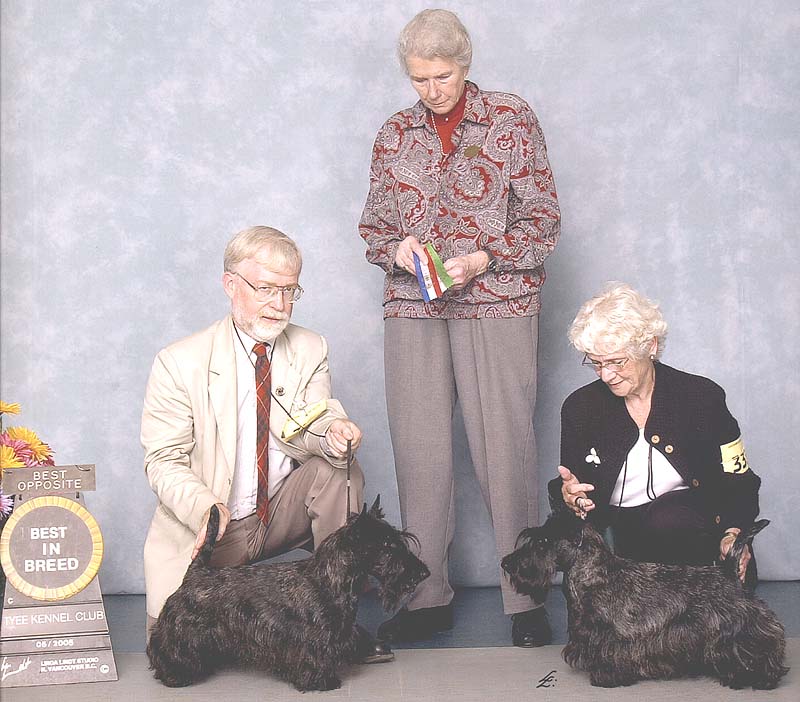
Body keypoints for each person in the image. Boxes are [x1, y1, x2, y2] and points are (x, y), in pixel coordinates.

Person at [359, 9, 560, 647]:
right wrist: (396, 249)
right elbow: (374, 227)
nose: (431, 90)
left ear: (464, 65)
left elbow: (542, 222)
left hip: (498, 300)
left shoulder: (511, 119)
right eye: (419, 79)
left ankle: (525, 600)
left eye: (441, 76)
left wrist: (482, 258)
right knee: (419, 455)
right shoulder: (394, 134)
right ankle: (425, 599)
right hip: (414, 306)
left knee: (506, 452)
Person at [141, 225, 392, 663]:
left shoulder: (310, 346)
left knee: (339, 468)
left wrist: (333, 433)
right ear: (230, 284)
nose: (280, 304)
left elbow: (315, 421)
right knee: (174, 652)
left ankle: (338, 619)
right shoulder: (179, 361)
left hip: (275, 515)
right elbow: (163, 460)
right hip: (212, 530)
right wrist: (204, 508)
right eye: (266, 289)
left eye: (290, 290)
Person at [554, 282, 762, 589]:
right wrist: (571, 497)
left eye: (616, 361)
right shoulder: (579, 407)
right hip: (621, 539)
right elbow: (572, 487)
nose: (606, 375)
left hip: (690, 529)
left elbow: (739, 479)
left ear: (650, 346)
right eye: (596, 363)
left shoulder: (703, 397)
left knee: (668, 518)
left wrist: (733, 534)